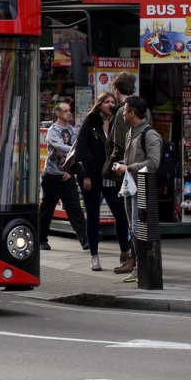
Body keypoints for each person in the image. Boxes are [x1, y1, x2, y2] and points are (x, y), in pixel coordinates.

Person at [74, 91, 130, 271]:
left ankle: (124, 251)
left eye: (112, 101)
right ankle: (94, 256)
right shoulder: (90, 122)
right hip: (93, 174)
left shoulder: (117, 121)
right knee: (93, 215)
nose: (110, 104)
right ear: (99, 104)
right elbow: (80, 151)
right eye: (106, 101)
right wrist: (85, 176)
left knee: (121, 214)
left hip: (112, 174)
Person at [113, 95, 162, 283]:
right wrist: (121, 166)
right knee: (133, 229)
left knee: (140, 229)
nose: (123, 113)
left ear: (132, 113)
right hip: (130, 187)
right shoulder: (130, 132)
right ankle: (138, 265)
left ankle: (143, 267)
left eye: (125, 110)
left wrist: (129, 168)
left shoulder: (149, 134)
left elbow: (153, 163)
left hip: (142, 189)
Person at [39, 101, 88, 251]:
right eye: (65, 111)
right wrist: (76, 150)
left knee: (75, 208)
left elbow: (76, 149)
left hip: (67, 176)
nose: (69, 113)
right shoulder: (52, 130)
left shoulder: (73, 131)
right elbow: (60, 146)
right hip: (52, 175)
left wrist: (70, 171)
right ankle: (41, 239)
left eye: (69, 111)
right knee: (47, 209)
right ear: (58, 113)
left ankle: (85, 239)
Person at [101, 72, 138, 273]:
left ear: (116, 90)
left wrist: (110, 167)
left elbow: (120, 144)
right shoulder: (141, 106)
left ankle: (132, 258)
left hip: (124, 170)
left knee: (128, 217)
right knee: (131, 217)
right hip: (134, 168)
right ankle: (131, 257)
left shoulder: (126, 110)